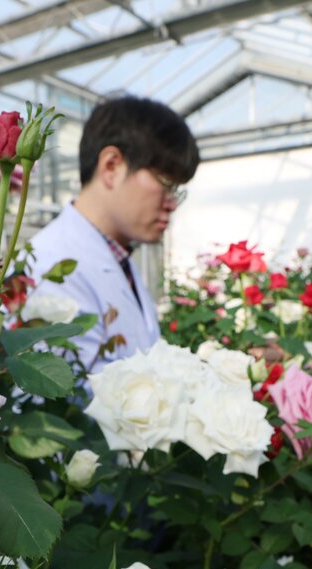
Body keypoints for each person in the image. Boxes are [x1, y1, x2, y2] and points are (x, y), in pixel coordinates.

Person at [24, 96, 199, 373]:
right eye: (166, 184)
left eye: (177, 190)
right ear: (112, 166)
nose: (172, 204)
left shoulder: (119, 257)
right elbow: (51, 390)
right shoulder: (49, 267)